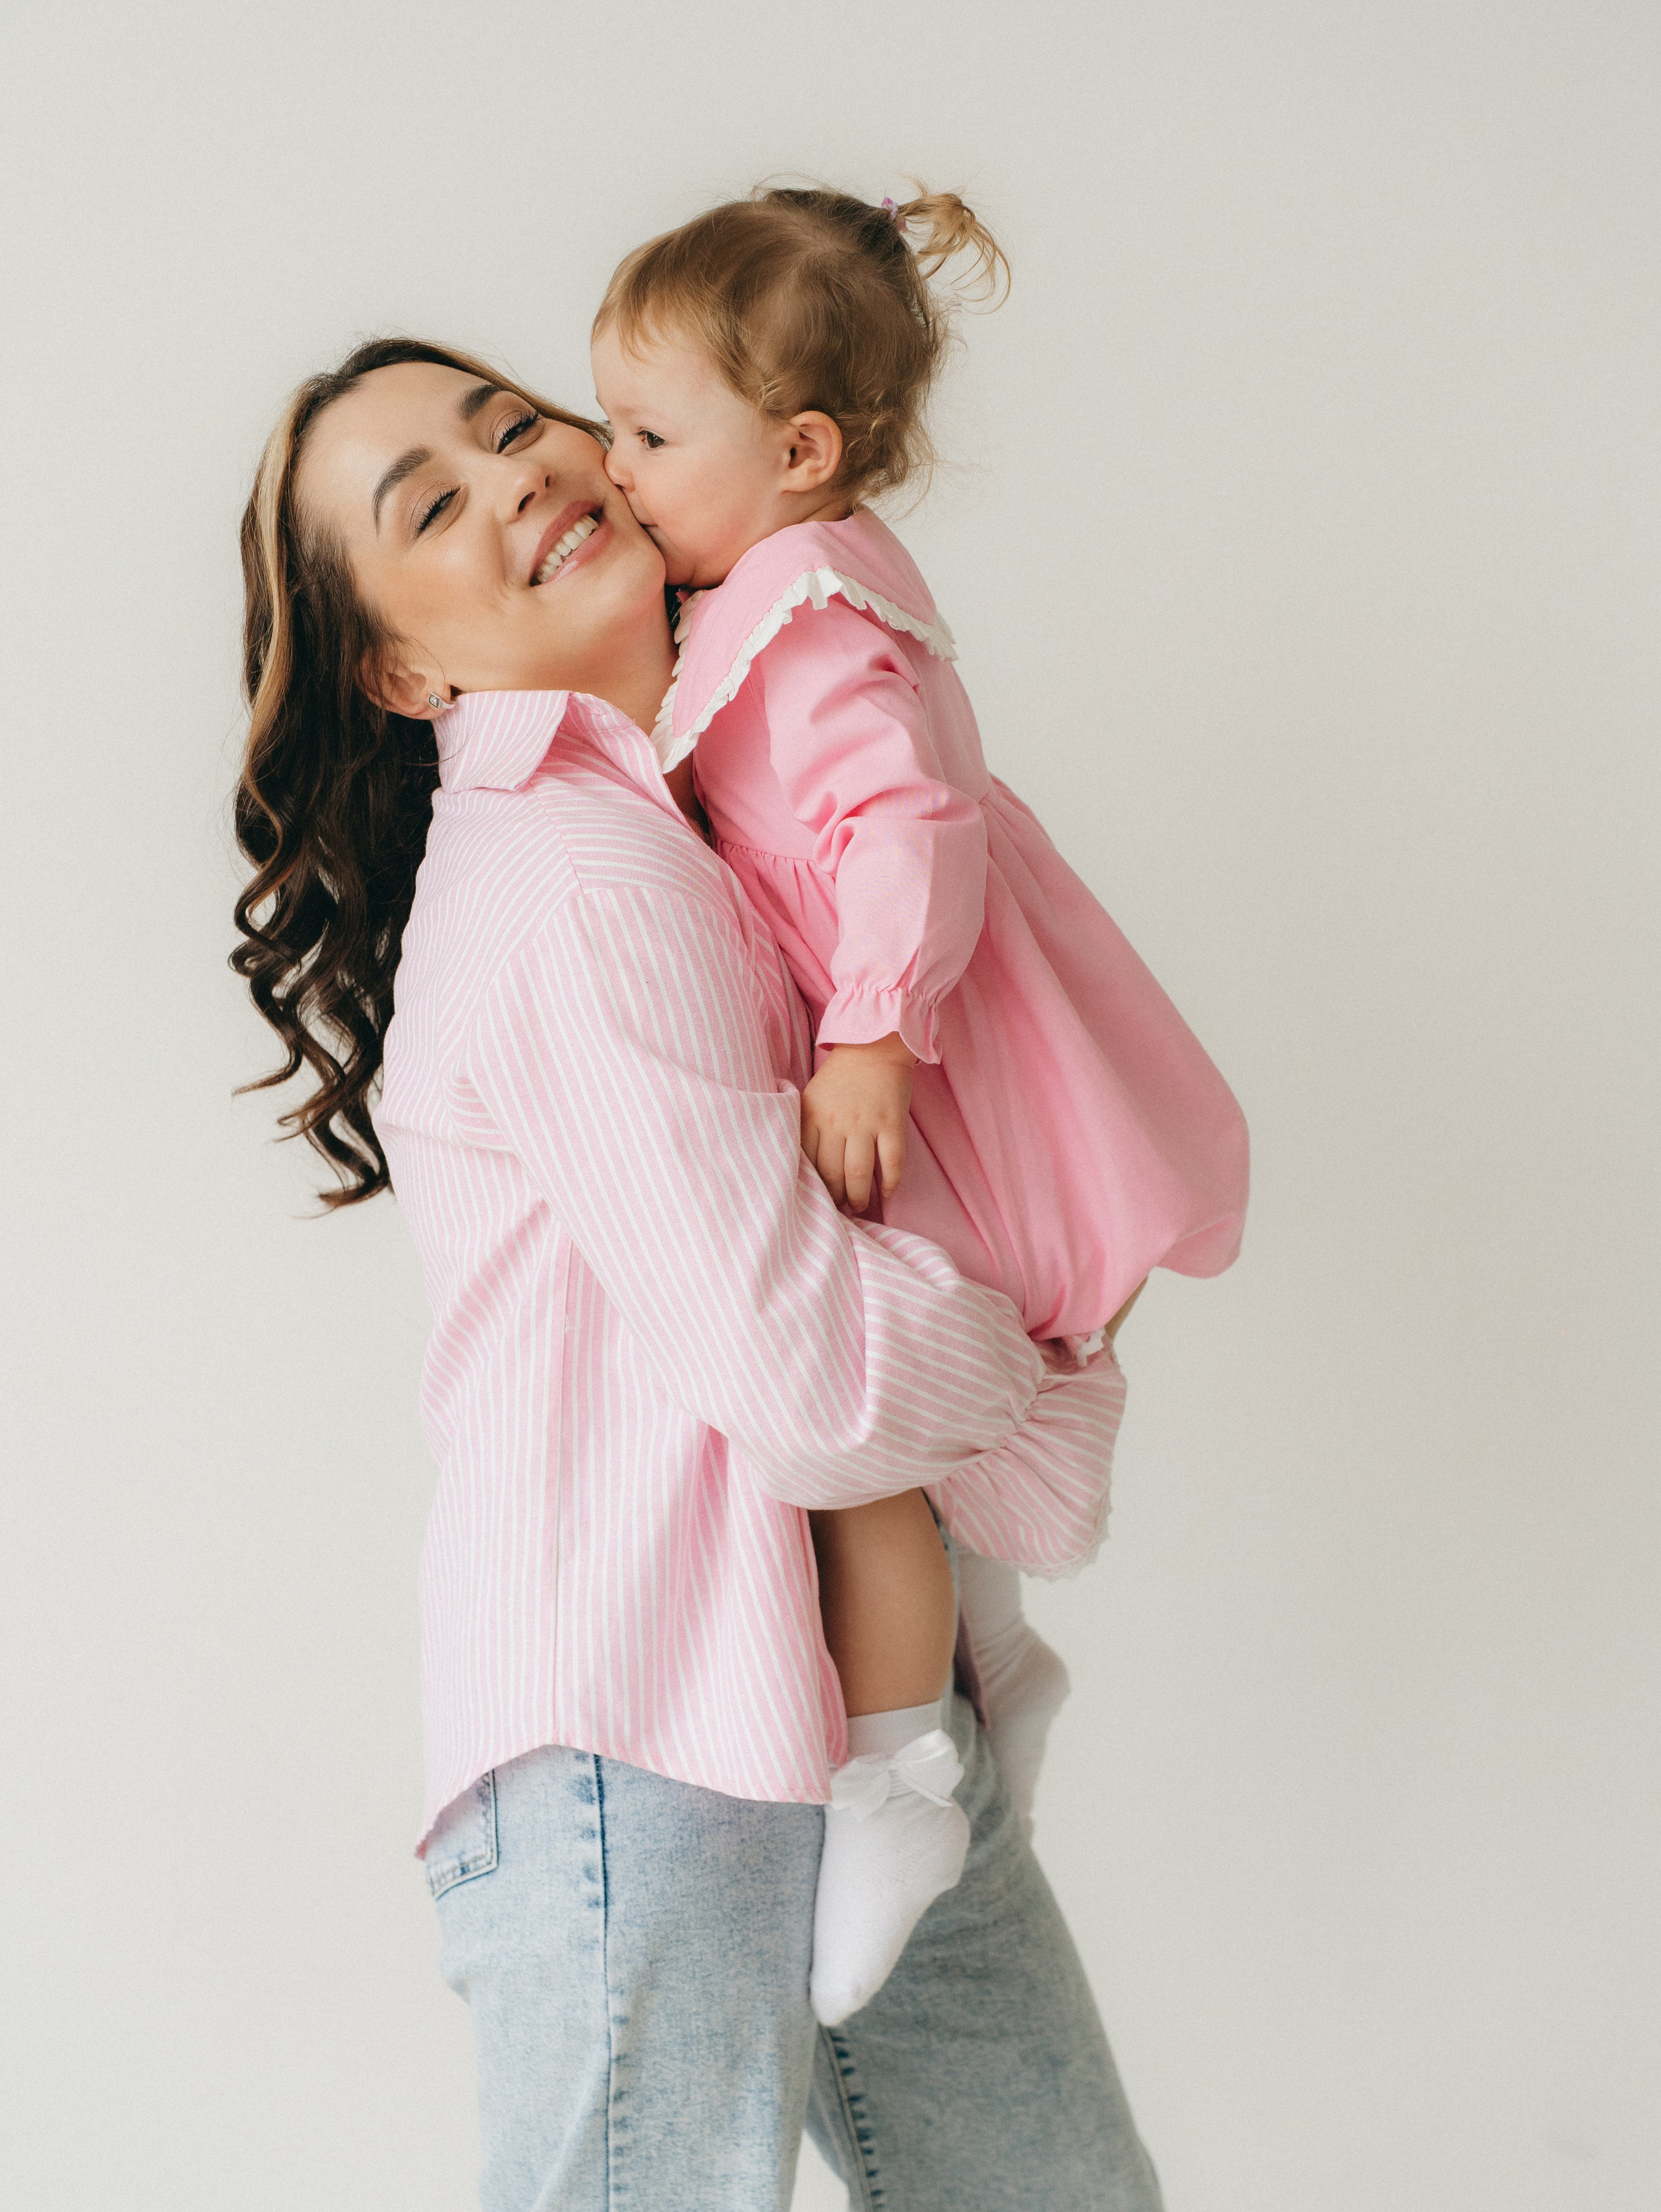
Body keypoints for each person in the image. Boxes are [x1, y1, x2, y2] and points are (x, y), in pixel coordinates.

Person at [232, 335, 1163, 2211]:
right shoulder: (576, 874)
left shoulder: (711, 814)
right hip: (648, 1746)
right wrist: (1044, 1370)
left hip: (853, 1733)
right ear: (403, 670)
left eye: (513, 425)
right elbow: (802, 1363)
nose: (516, 478)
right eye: (433, 501)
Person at [591, 186, 1250, 2020]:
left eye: (651, 436)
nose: (616, 470)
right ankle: (991, 1671)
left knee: (855, 1425)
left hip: (934, 1062)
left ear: (798, 450)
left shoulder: (809, 627)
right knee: (882, 1408)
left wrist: (873, 1028)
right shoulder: (793, 578)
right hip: (914, 1043)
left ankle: (892, 1768)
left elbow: (910, 830)